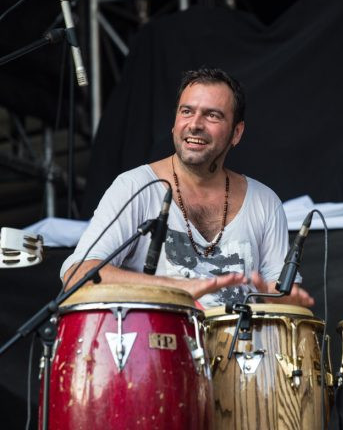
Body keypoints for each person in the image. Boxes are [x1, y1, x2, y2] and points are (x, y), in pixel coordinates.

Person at [61, 67, 314, 308]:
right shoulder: (135, 187)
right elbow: (78, 274)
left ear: (236, 133)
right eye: (186, 111)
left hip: (241, 352)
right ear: (174, 123)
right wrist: (177, 288)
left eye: (212, 115)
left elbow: (281, 302)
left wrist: (284, 301)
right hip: (160, 349)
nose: (195, 124)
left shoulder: (265, 202)